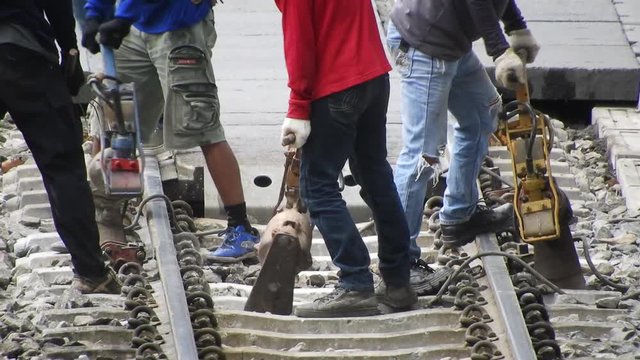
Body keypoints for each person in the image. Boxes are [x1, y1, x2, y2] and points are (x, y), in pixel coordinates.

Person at [81, 0, 259, 263]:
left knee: (202, 127)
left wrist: (123, 15)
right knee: (118, 122)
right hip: (132, 27)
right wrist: (94, 13)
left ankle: (241, 229)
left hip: (179, 22)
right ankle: (107, 220)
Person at [275, 0, 418, 318]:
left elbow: (298, 41)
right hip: (373, 78)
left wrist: (298, 106)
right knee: (376, 175)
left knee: (318, 185)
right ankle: (398, 282)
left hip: (336, 87)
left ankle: (355, 281)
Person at [388, 0, 539, 250]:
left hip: (451, 42)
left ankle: (459, 215)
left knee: (483, 114)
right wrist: (500, 51)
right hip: (424, 43)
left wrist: (516, 26)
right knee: (422, 155)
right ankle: (398, 260)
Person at [0, 0, 121, 294]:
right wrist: (69, 50)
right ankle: (91, 272)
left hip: (19, 49)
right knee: (63, 166)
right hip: (21, 54)